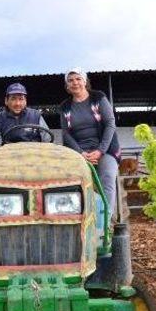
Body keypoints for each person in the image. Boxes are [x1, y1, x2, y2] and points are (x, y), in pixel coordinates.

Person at [59, 68, 121, 218]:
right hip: (80, 153)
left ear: (85, 81)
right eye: (71, 80)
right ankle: (77, 219)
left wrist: (100, 151)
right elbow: (66, 133)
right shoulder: (65, 107)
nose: (75, 83)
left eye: (78, 79)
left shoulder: (98, 98)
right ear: (67, 86)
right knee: (71, 180)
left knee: (107, 176)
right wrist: (81, 153)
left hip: (105, 150)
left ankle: (105, 222)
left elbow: (110, 124)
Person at [0, 83, 51, 150]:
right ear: (6, 101)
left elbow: (48, 141)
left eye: (21, 99)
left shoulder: (36, 116)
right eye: (13, 99)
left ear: (25, 101)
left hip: (34, 155)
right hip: (8, 157)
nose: (17, 103)